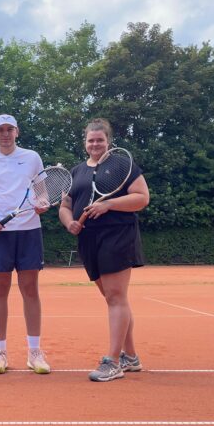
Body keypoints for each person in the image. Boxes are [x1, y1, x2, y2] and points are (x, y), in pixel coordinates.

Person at [59, 118, 150, 382]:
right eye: (91, 140)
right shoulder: (76, 171)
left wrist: (108, 205)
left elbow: (142, 198)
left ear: (108, 141)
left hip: (117, 235)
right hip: (89, 239)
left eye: (100, 139)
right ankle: (130, 357)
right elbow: (65, 206)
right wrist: (70, 223)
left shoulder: (122, 165)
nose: (95, 144)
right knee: (113, 298)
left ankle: (112, 361)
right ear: (85, 142)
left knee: (115, 296)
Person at [0, 114, 51, 374]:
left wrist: (42, 205)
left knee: (30, 289)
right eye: (0, 130)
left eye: (10, 129)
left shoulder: (33, 157)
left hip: (29, 231)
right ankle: (0, 352)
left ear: (17, 131)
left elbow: (42, 194)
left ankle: (34, 352)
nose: (5, 134)